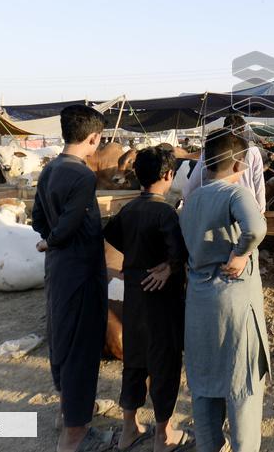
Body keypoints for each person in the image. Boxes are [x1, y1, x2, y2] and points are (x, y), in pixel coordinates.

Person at [179, 129, 270, 452]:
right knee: (242, 387)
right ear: (238, 165)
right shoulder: (236, 194)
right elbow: (257, 227)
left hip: (199, 304)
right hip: (233, 302)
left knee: (203, 386)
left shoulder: (190, 201)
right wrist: (241, 253)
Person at [103, 146, 193, 452]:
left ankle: (129, 429)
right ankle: (162, 435)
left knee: (134, 362)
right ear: (168, 176)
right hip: (161, 301)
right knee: (164, 364)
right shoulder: (166, 212)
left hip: (133, 297)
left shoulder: (128, 209)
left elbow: (112, 235)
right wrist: (168, 266)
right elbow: (180, 251)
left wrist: (138, 259)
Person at [32, 104, 111, 452]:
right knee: (81, 347)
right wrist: (53, 239)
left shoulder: (49, 169)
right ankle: (76, 436)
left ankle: (71, 412)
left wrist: (49, 240)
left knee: (62, 339)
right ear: (93, 138)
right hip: (80, 270)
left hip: (59, 269)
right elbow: (67, 227)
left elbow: (38, 218)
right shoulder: (82, 175)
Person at [182, 115, 266, 212]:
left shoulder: (212, 150)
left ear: (224, 128)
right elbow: (259, 183)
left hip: (218, 206)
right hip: (247, 207)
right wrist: (261, 209)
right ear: (243, 129)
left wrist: (188, 201)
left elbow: (194, 182)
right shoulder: (253, 151)